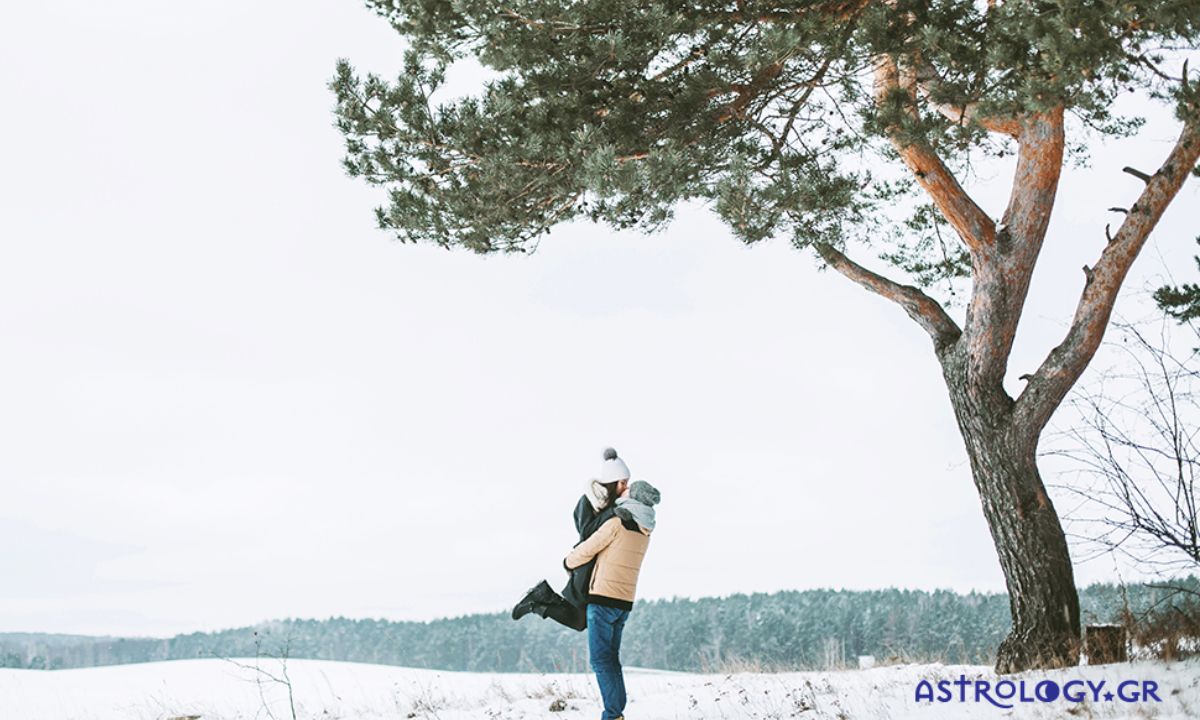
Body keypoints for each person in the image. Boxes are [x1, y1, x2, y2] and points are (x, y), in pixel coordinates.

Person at [564, 477, 659, 720]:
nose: (623, 490)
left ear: (633, 498)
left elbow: (588, 547)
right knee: (611, 660)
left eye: (628, 489)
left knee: (600, 661)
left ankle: (613, 714)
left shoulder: (617, 522)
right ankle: (616, 713)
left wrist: (568, 561)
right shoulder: (644, 530)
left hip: (603, 600)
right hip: (623, 603)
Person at [511, 447, 636, 631]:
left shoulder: (613, 505)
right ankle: (536, 601)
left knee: (580, 620)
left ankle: (539, 600)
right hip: (584, 565)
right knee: (579, 622)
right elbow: (586, 533)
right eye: (623, 483)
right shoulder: (587, 500)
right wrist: (612, 513)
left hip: (595, 566)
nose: (625, 488)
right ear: (612, 481)